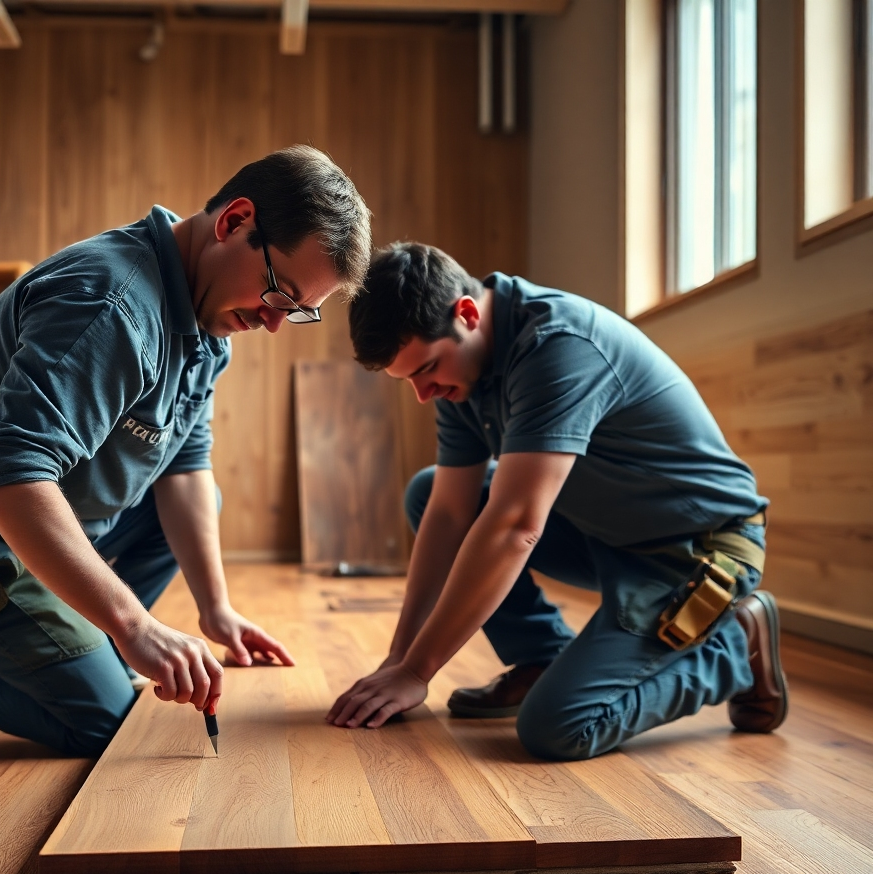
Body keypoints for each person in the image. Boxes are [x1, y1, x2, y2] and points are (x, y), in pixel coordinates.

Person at [0, 145, 372, 757]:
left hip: (33, 528)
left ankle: (60, 639)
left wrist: (214, 609)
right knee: (110, 722)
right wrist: (135, 625)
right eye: (279, 294)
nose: (274, 323)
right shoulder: (111, 304)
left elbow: (185, 466)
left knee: (201, 499)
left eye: (298, 313)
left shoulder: (207, 320)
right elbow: (10, 477)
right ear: (234, 222)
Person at [327, 242, 787, 760]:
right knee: (428, 491)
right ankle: (541, 657)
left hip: (695, 549)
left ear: (468, 314)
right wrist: (399, 658)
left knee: (558, 727)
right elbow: (450, 512)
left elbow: (516, 527)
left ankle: (736, 649)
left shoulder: (557, 345)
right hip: (605, 531)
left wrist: (418, 672)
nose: (422, 393)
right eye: (408, 378)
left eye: (427, 369)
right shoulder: (461, 372)